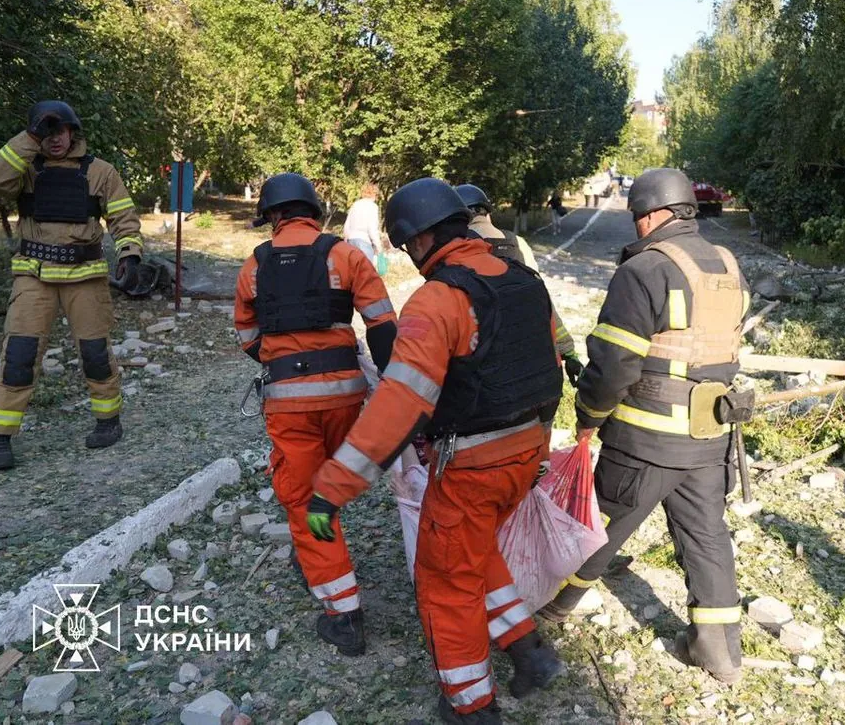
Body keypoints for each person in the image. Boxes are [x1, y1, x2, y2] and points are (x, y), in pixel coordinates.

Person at [309, 178, 566, 724]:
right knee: (476, 552)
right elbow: (550, 363)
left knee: (446, 580)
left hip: (474, 464)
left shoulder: (439, 298)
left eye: (406, 248)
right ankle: (529, 649)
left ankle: (471, 706)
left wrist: (332, 489)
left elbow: (398, 406)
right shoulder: (525, 280)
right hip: (527, 452)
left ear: (421, 240)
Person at [538, 168, 751, 685]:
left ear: (653, 215)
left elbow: (613, 365)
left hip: (647, 437)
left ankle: (553, 610)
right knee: (706, 536)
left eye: (637, 219)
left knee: (602, 523)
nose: (637, 228)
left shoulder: (644, 270)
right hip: (711, 433)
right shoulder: (726, 263)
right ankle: (719, 650)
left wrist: (588, 417)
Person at [233, 173, 397, 655]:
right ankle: (319, 550)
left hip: (289, 402)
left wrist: (281, 361)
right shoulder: (345, 254)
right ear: (313, 210)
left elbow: (246, 334)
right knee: (329, 483)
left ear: (273, 217)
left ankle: (343, 614)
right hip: (347, 396)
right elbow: (383, 325)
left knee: (304, 501)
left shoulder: (254, 266)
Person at [0, 100, 144, 470]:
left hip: (85, 278)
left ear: (74, 131)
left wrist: (130, 253)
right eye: (47, 132)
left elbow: (123, 217)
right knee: (19, 355)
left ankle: (108, 420)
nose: (55, 139)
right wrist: (30, 136)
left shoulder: (100, 171)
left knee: (96, 353)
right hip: (34, 275)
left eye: (61, 130)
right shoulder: (25, 169)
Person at [454, 184, 583, 388]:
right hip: (538, 370)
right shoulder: (517, 243)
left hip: (489, 375)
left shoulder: (458, 252)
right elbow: (542, 299)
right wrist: (568, 350)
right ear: (487, 212)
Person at [342, 181, 383, 263]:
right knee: (365, 273)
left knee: (352, 272)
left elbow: (347, 226)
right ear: (375, 194)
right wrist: (379, 247)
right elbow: (372, 229)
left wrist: (345, 241)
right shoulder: (373, 206)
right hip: (364, 242)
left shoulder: (355, 204)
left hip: (351, 241)